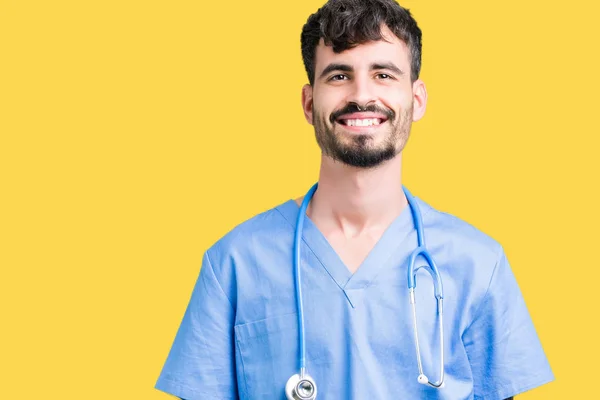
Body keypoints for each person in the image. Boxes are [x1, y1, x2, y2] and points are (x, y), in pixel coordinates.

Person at [154, 0, 554, 398]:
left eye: (383, 74)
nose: (362, 94)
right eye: (340, 75)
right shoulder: (234, 264)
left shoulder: (477, 264)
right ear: (310, 103)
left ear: (417, 100)